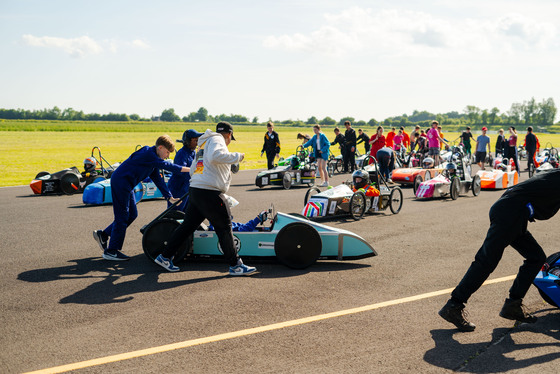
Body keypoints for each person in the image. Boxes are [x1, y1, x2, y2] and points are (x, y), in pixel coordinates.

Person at [438, 169, 560, 332]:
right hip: (510, 212)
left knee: (536, 258)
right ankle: (453, 305)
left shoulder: (555, 173)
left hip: (513, 212)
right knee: (486, 261)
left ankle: (513, 305)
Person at [155, 122, 256, 275]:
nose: (228, 142)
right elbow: (217, 156)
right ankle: (235, 265)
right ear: (228, 135)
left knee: (187, 226)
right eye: (230, 138)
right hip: (209, 191)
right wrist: (237, 157)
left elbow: (194, 169)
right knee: (224, 227)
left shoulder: (204, 144)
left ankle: (165, 256)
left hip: (196, 190)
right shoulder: (217, 140)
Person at [93, 135, 189, 260]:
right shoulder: (149, 155)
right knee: (122, 216)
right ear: (160, 147)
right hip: (121, 182)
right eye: (167, 152)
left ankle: (104, 234)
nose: (168, 156)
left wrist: (169, 197)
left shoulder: (153, 159)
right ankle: (111, 251)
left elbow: (158, 179)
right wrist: (191, 169)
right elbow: (171, 167)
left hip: (128, 184)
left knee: (132, 214)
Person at [167, 129, 203, 211]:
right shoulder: (182, 153)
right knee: (175, 213)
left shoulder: (193, 153)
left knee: (185, 213)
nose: (197, 143)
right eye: (195, 140)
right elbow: (181, 171)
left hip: (187, 187)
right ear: (188, 141)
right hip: (178, 187)